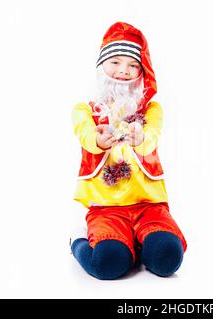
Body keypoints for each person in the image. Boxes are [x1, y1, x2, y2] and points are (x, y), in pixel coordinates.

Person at [70, 22, 187, 280]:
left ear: (142, 71)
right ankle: (79, 239)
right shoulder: (85, 110)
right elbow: (86, 134)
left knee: (167, 258)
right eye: (116, 62)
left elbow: (151, 137)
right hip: (106, 206)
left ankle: (140, 243)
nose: (124, 71)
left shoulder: (152, 110)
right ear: (101, 66)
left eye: (133, 65)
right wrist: (98, 140)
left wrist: (139, 138)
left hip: (149, 205)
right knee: (107, 264)